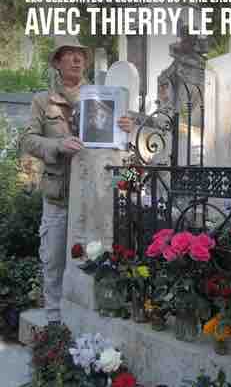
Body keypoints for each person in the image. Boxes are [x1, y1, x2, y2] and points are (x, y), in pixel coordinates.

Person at [21, 35, 133, 324]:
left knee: (95, 259)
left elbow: (116, 147)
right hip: (59, 195)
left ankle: (93, 320)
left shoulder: (102, 97)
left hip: (93, 198)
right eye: (69, 54)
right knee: (55, 260)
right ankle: (55, 325)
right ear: (57, 62)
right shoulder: (42, 101)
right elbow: (28, 139)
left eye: (80, 55)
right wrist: (57, 146)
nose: (76, 59)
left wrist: (124, 128)